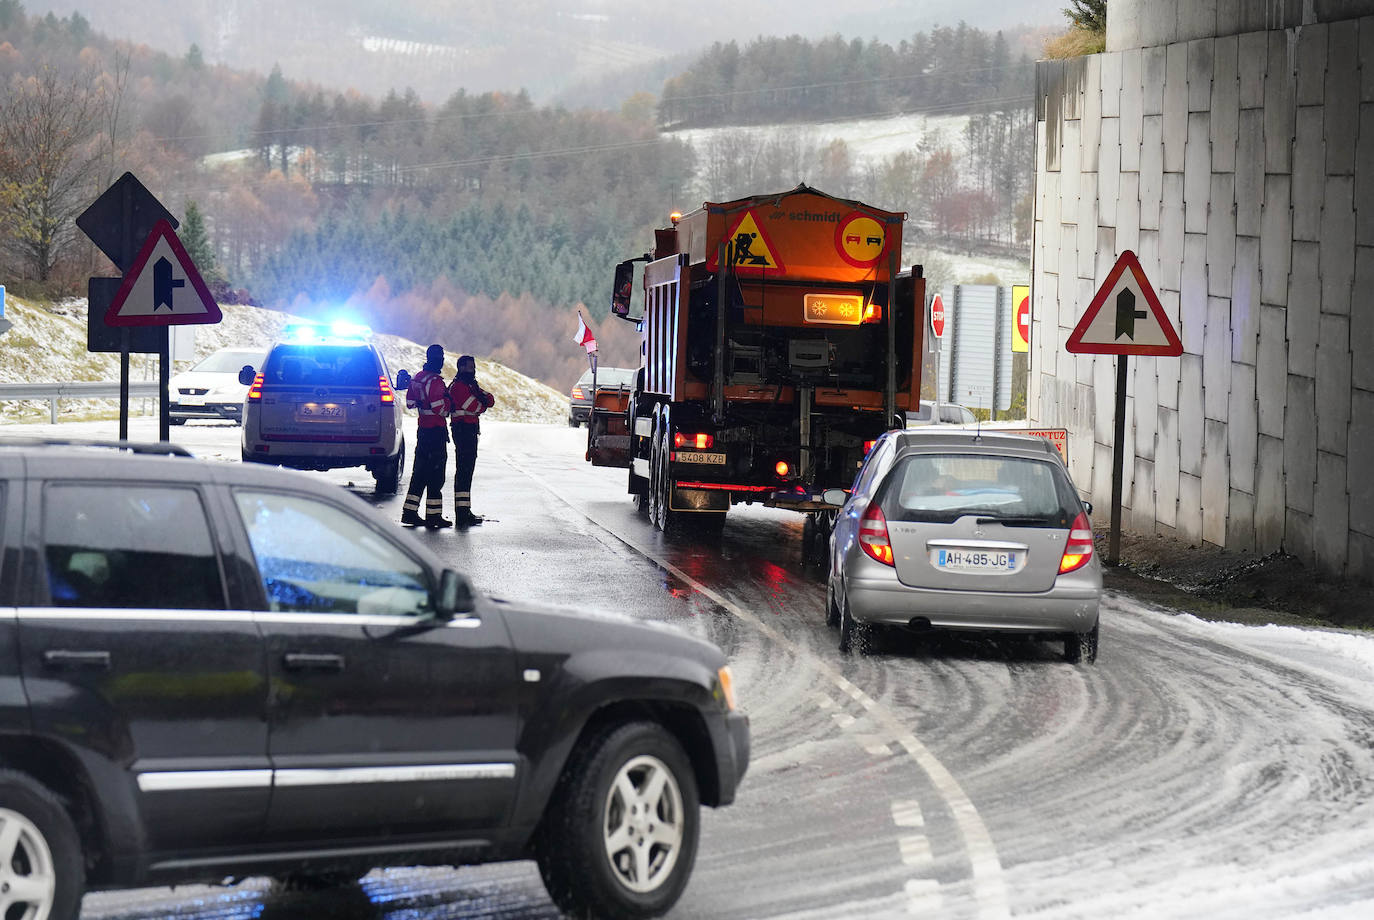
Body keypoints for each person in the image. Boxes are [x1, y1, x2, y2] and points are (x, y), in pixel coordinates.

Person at [400, 344, 453, 528]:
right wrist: (449, 403)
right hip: (436, 431)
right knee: (436, 474)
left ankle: (409, 512)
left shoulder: (418, 378)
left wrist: (425, 403)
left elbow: (410, 402)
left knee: (420, 472)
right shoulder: (435, 381)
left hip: (422, 429)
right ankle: (434, 516)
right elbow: (441, 408)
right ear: (438, 359)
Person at [448, 354, 495, 527]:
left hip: (469, 431)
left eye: (473, 367)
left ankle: (465, 510)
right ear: (461, 367)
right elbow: (476, 406)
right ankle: (461, 513)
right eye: (469, 367)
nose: (472, 370)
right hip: (463, 431)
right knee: (464, 471)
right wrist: (481, 404)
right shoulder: (459, 387)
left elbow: (490, 399)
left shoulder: (470, 385)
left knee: (467, 472)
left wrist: (482, 401)